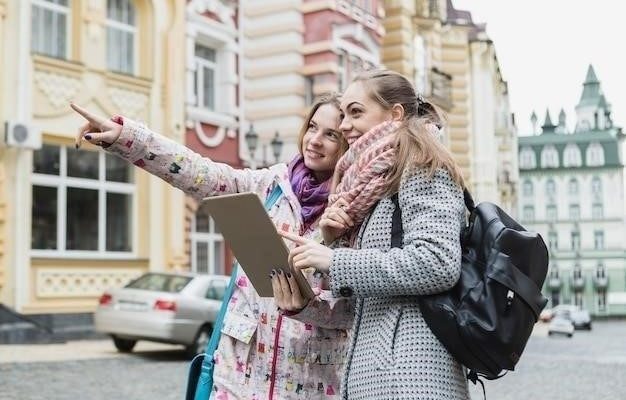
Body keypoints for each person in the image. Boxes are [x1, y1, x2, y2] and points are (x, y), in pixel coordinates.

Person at [71, 94, 354, 399]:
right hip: (236, 379)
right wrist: (127, 138)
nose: (314, 140)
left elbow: (355, 309)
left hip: (308, 385)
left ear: (348, 143)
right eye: (312, 127)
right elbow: (200, 172)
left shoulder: (355, 208)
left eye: (330, 134)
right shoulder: (272, 184)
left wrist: (307, 306)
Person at [272, 70, 470, 400]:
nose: (345, 124)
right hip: (380, 374)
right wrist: (331, 239)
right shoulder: (373, 181)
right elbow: (368, 290)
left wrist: (336, 259)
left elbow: (438, 261)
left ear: (395, 114)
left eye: (356, 112)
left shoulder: (422, 164)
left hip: (414, 377)